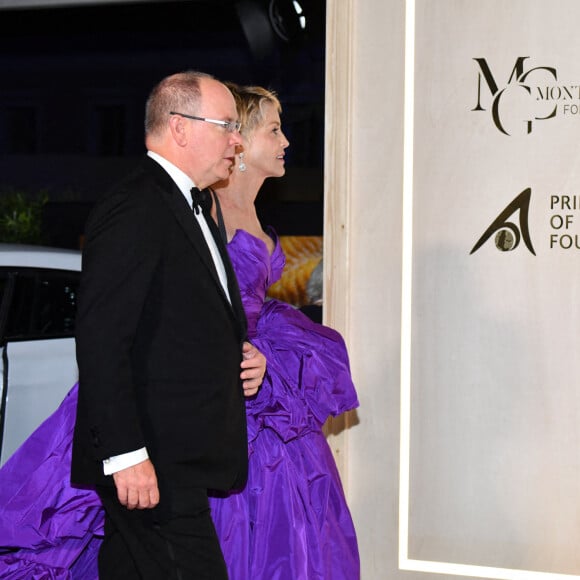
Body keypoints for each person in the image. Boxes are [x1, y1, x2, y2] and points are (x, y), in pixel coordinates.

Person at [0, 70, 267, 580]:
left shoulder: (193, 207)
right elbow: (102, 338)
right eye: (226, 125)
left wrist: (241, 351)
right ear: (180, 127)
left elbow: (178, 325)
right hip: (154, 458)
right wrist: (126, 455)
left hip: (176, 457)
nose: (237, 140)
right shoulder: (137, 206)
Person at [207, 82, 360, 580]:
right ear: (241, 142)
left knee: (300, 518)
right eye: (273, 130)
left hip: (260, 366)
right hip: (230, 381)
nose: (286, 141)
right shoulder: (210, 208)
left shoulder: (248, 208)